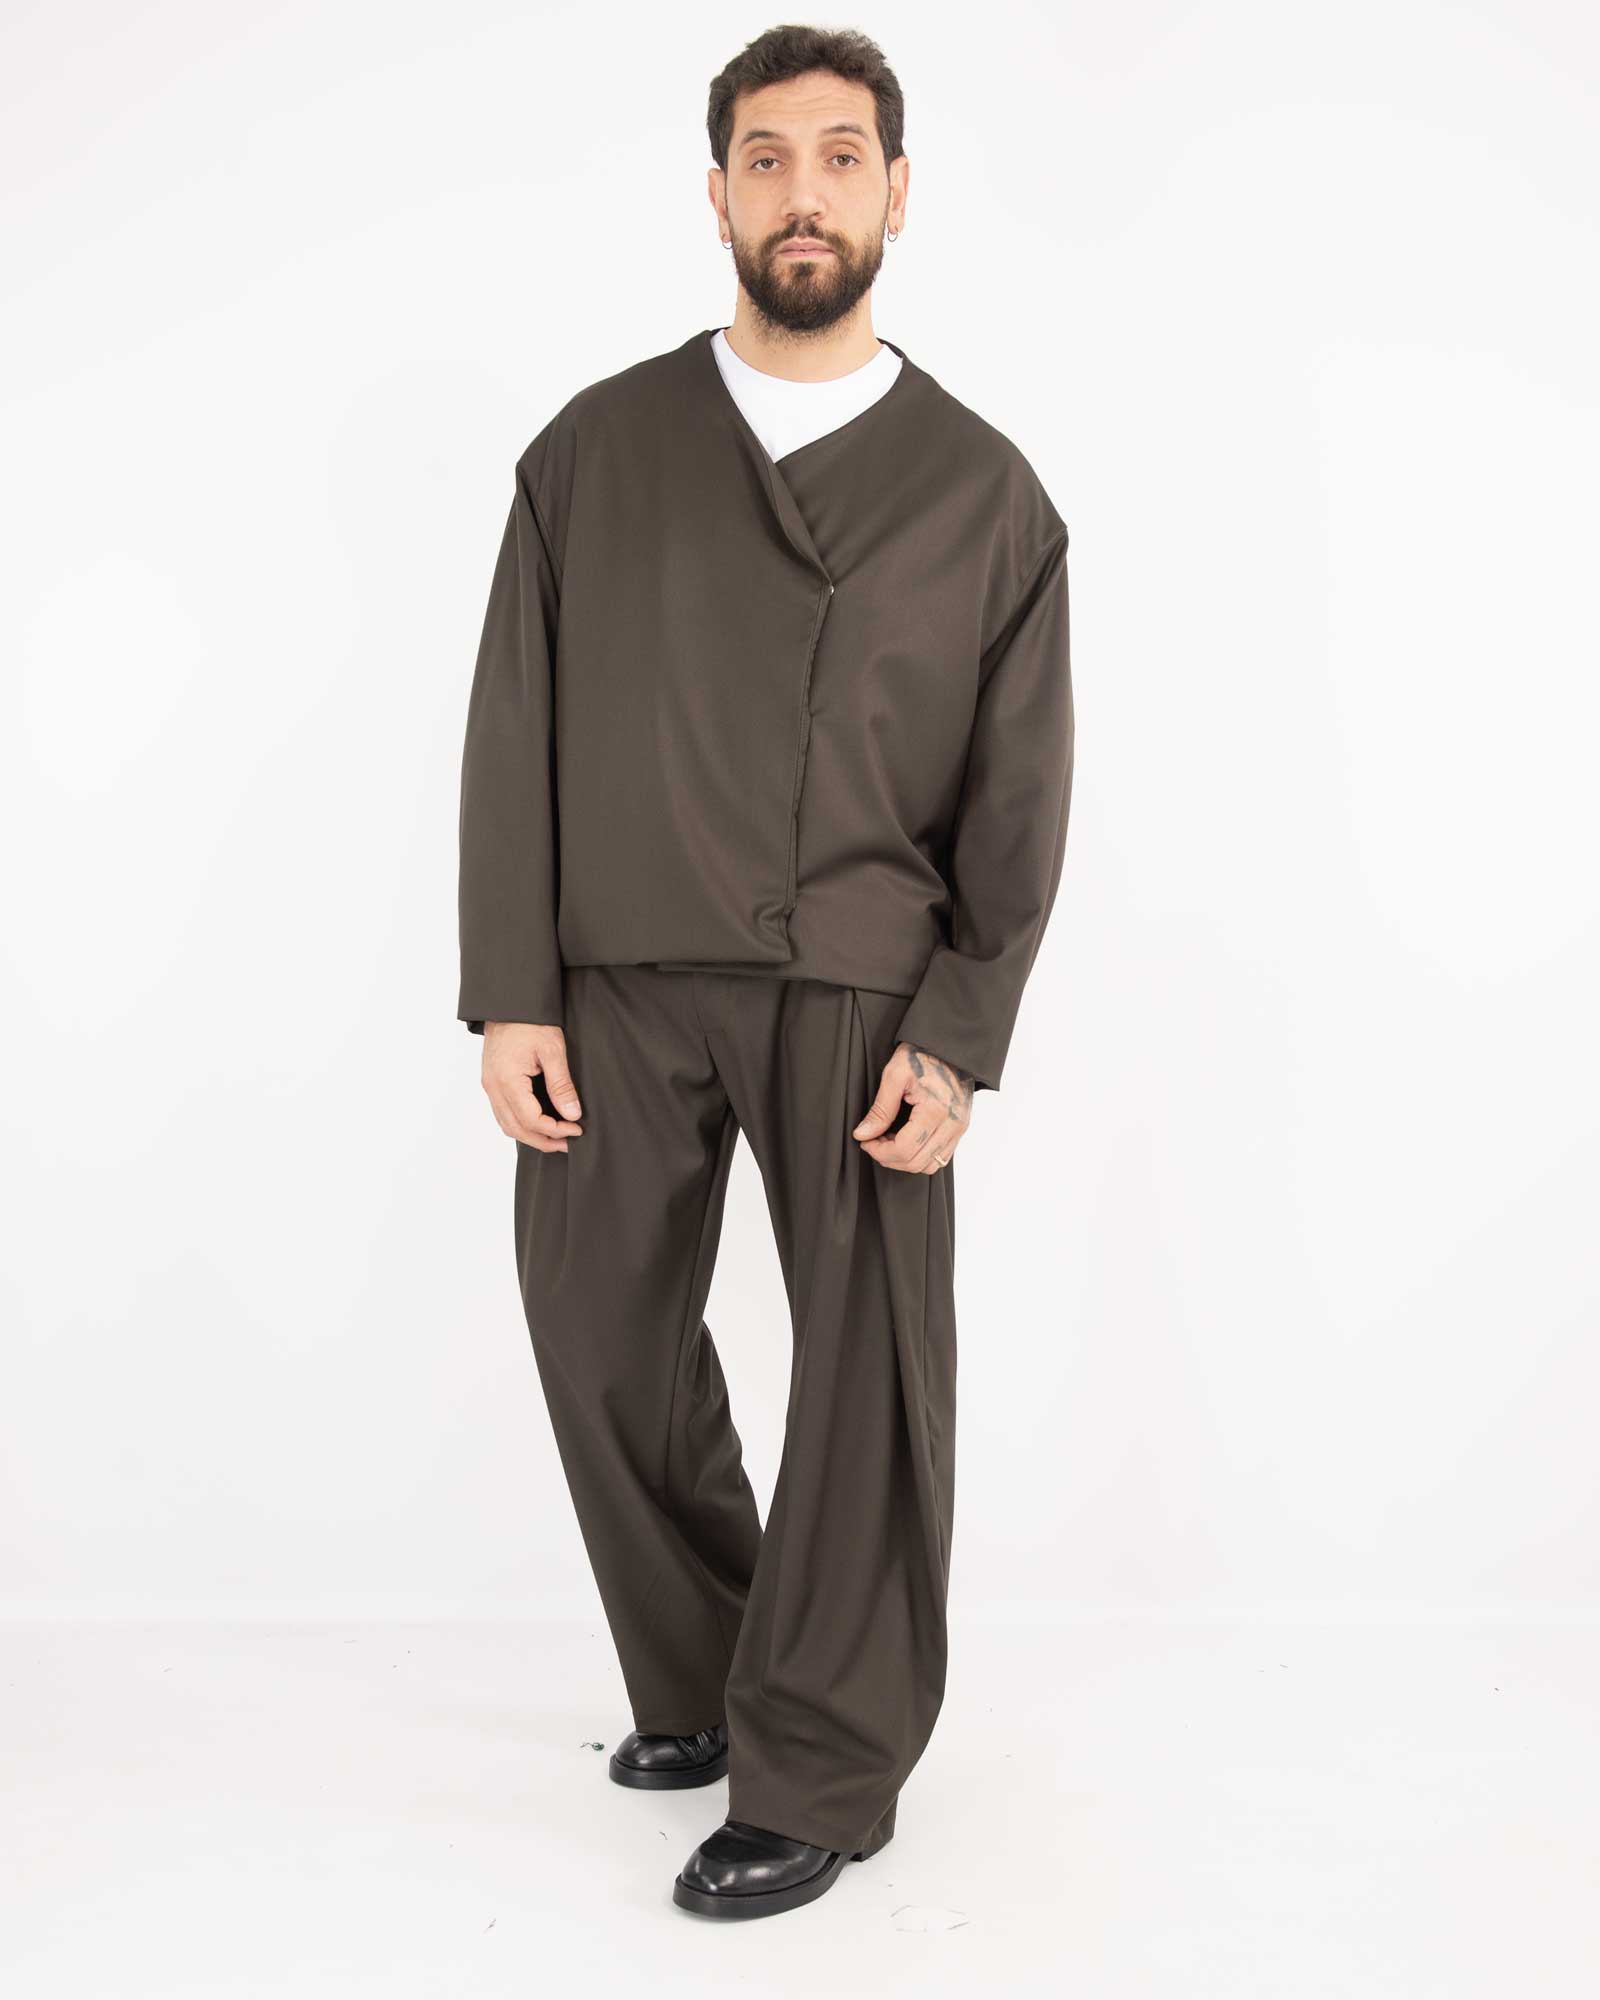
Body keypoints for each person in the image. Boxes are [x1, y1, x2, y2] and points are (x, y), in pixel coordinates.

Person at [457, 24, 1074, 1922]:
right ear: (717, 193)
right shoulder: (593, 452)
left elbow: (1018, 796)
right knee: (599, 1336)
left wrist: (959, 1033)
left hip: (864, 993)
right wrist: (511, 988)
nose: (805, 193)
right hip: (619, 972)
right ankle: (718, 1664)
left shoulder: (985, 494)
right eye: (768, 157)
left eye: (841, 156)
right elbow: (515, 722)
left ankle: (822, 1762)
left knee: (868, 1380)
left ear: (898, 193)